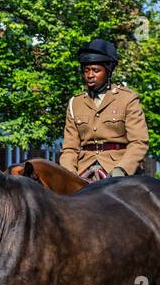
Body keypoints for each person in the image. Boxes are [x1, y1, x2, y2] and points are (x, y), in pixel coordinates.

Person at [59, 38, 149, 179]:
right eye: (86, 70)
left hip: (119, 170)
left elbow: (139, 142)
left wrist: (122, 169)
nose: (90, 75)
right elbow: (70, 148)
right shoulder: (74, 103)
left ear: (108, 71)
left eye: (96, 70)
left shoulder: (127, 98)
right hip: (83, 170)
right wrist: (69, 173)